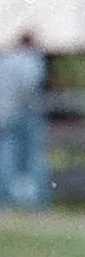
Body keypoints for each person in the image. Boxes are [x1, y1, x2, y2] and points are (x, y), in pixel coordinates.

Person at [0, 32, 49, 210]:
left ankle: (6, 199)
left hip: (6, 114)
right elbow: (31, 86)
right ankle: (36, 201)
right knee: (33, 158)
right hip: (25, 113)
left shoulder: (6, 60)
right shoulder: (32, 61)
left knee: (7, 156)